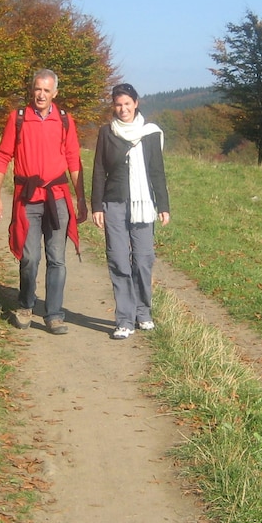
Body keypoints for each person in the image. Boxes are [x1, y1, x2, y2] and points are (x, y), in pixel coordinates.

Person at [0, 69, 87, 335]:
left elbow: (73, 160)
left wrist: (81, 199)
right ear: (31, 90)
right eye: (37, 89)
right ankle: (25, 305)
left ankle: (54, 314)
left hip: (57, 198)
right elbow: (2, 156)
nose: (41, 94)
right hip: (28, 197)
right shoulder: (18, 118)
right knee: (30, 257)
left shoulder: (65, 120)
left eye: (46, 90)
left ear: (55, 93)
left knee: (57, 258)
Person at [91, 83, 170, 340]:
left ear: (136, 103)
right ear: (113, 106)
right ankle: (124, 319)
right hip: (114, 204)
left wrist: (164, 205)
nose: (123, 109)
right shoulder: (107, 133)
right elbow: (100, 170)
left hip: (144, 204)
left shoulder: (150, 133)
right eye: (118, 104)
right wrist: (97, 206)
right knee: (118, 259)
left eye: (127, 103)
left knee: (144, 259)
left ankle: (143, 312)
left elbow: (157, 171)